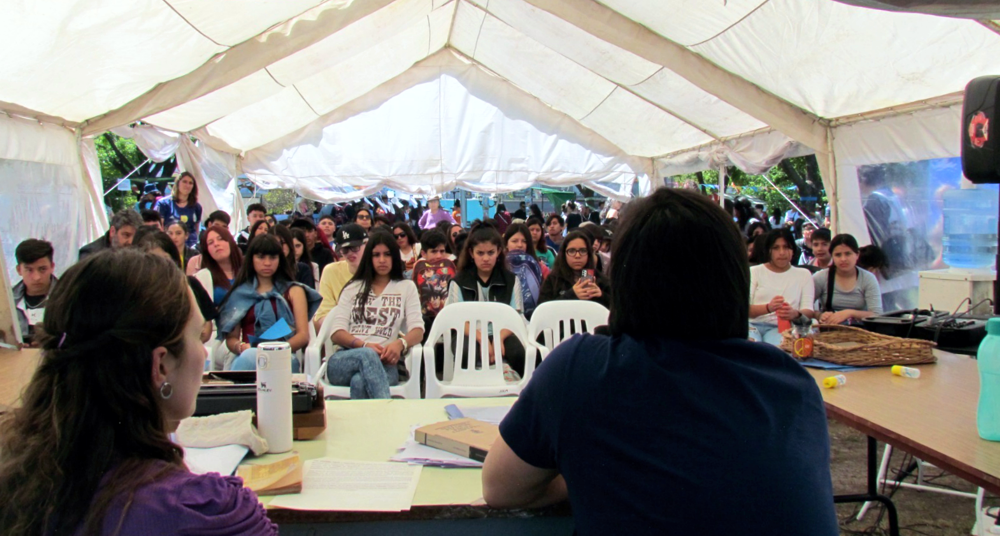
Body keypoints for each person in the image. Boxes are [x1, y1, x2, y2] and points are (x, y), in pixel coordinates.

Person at [482, 188, 837, 536]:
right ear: (734, 278)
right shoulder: (792, 384)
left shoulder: (580, 369)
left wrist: (580, 470)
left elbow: (501, 489)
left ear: (624, 278)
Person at [0, 249, 278, 535]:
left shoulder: (20, 481)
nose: (200, 349)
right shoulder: (210, 515)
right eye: (197, 336)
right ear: (160, 366)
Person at [324, 230, 424, 399]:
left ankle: (362, 425)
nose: (382, 260)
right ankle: (387, 418)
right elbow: (336, 333)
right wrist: (363, 346)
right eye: (376, 255)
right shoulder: (353, 288)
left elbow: (418, 330)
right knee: (368, 355)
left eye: (387, 254)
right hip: (345, 359)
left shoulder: (406, 287)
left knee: (359, 382)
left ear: (395, 256)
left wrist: (400, 344)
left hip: (386, 364)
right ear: (369, 259)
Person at [217, 235, 321, 372]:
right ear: (251, 259)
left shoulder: (294, 291)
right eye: (261, 257)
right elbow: (231, 339)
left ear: (280, 260)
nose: (267, 263)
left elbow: (303, 335)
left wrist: (274, 349)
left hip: (284, 354)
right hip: (247, 354)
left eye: (273, 258)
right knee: (248, 357)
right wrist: (241, 347)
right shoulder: (239, 294)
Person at [445, 222, 527, 377]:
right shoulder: (459, 281)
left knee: (519, 353)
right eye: (480, 253)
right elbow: (456, 320)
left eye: (491, 252)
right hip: (469, 333)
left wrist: (498, 338)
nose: (486, 258)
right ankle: (466, 390)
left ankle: (522, 392)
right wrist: (482, 339)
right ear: (471, 253)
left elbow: (516, 316)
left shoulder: (511, 280)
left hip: (504, 332)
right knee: (466, 352)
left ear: (499, 252)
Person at [135, 230, 218, 344]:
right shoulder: (137, 294)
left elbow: (206, 329)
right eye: (152, 261)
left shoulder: (190, 285)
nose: (160, 266)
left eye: (165, 259)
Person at [749, 228, 815, 346]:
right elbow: (744, 309)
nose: (782, 252)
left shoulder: (804, 274)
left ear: (793, 250)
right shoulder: (754, 272)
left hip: (782, 328)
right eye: (776, 248)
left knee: (778, 351)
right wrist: (768, 307)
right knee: (751, 349)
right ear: (768, 250)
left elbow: (808, 310)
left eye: (786, 247)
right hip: (752, 325)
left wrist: (795, 313)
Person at [813, 234, 884, 325]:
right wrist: (819, 315)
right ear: (832, 257)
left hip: (861, 333)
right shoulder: (821, 277)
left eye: (848, 254)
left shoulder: (868, 278)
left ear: (857, 255)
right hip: (829, 331)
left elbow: (877, 314)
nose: (843, 259)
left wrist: (849, 313)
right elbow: (806, 309)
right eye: (838, 255)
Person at [538, 230, 610, 308]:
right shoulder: (553, 279)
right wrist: (571, 294)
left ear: (588, 254)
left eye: (583, 251)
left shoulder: (600, 279)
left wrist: (601, 296)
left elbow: (616, 309)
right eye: (572, 251)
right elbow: (542, 309)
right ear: (564, 254)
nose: (578, 255)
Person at [314, 224, 368, 327]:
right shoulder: (331, 271)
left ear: (367, 244)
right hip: (341, 334)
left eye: (355, 247)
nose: (350, 253)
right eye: (345, 250)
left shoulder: (379, 271)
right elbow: (322, 315)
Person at [412, 230, 456, 340]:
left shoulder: (450, 266)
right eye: (434, 251)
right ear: (423, 253)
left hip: (448, 315)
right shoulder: (418, 268)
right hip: (424, 317)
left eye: (442, 251)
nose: (439, 255)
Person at [12, 239, 56, 347]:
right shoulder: (6, 302)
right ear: (19, 270)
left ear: (52, 267)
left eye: (42, 269)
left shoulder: (68, 297)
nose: (36, 277)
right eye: (29, 270)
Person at [504, 223, 545, 319]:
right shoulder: (497, 265)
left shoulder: (539, 266)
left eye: (524, 241)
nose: (520, 245)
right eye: (514, 241)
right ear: (506, 243)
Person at [195, 225, 243, 306]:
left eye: (220, 239)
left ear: (230, 241)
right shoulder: (204, 277)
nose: (216, 244)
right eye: (210, 242)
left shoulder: (248, 268)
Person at [155, 172, 203, 248]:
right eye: (184, 182)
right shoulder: (164, 204)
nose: (187, 185)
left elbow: (196, 228)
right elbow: (159, 227)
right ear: (177, 183)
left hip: (190, 247)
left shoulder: (197, 206)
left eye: (191, 183)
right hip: (169, 246)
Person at [271, 224, 315, 288]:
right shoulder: (266, 269)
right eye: (276, 243)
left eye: (283, 242)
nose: (280, 247)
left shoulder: (302, 269)